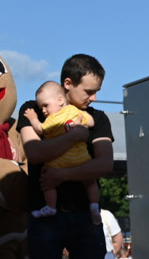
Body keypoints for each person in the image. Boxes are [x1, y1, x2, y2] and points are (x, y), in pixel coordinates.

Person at [17, 54, 113, 259]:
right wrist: (73, 139)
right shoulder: (35, 109)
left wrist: (60, 175)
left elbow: (105, 164)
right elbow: (34, 153)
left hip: (82, 217)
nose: (94, 98)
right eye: (89, 91)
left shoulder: (96, 118)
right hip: (48, 219)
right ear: (67, 85)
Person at [21, 81, 100, 224]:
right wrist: (82, 121)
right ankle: (94, 205)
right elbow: (91, 122)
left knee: (48, 182)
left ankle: (51, 207)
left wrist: (33, 118)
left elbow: (40, 129)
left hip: (60, 162)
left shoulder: (52, 119)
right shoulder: (74, 111)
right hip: (81, 158)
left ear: (60, 100)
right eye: (41, 107)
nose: (43, 110)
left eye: (45, 105)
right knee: (90, 181)